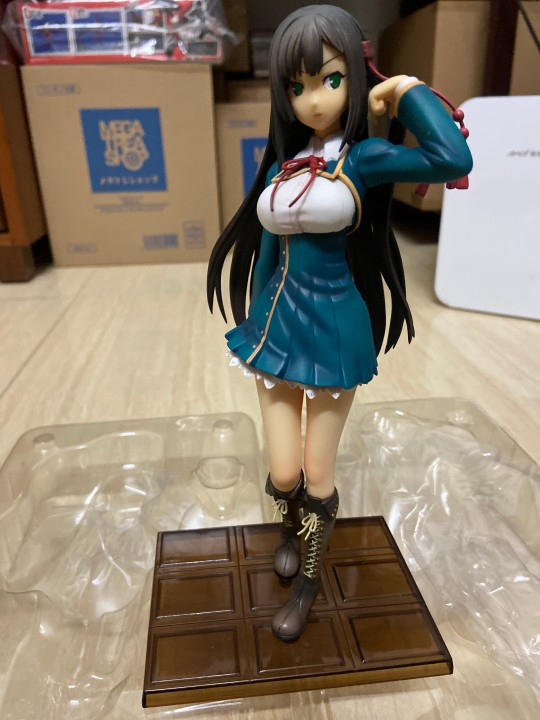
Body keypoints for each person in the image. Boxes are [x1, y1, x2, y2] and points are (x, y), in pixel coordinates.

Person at [207, 4, 472, 642]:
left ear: (355, 74)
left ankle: (308, 582)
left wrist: (405, 91)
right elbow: (268, 253)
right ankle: (288, 528)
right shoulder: (282, 164)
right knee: (283, 472)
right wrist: (253, 318)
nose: (313, 100)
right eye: (296, 86)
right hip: (274, 330)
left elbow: (450, 156)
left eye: (330, 79)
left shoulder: (366, 159)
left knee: (318, 473)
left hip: (332, 332)